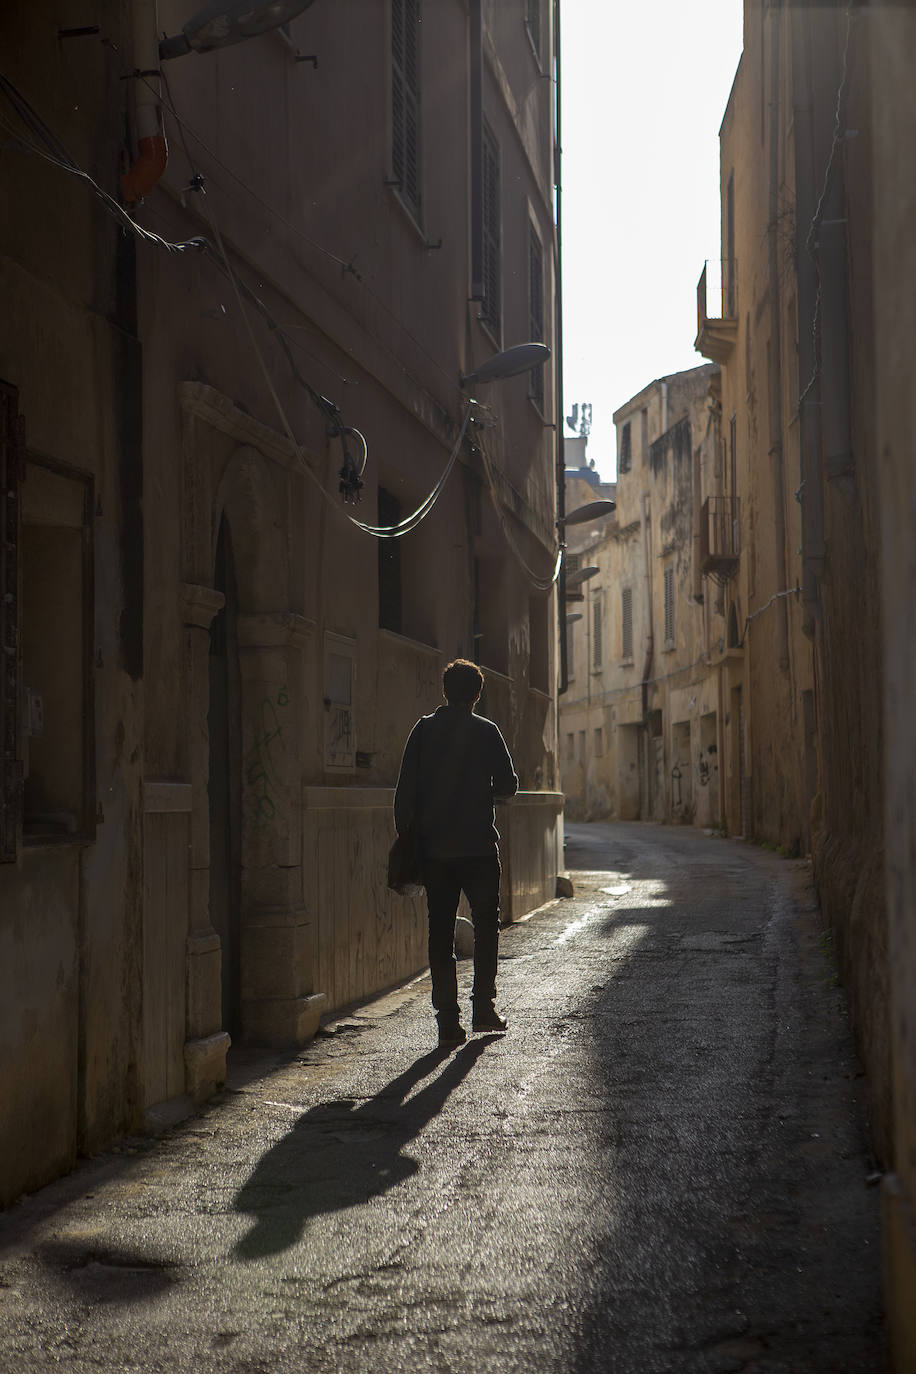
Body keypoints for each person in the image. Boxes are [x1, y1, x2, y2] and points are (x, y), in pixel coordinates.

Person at [394, 658, 519, 1049]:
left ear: (444, 691)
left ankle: (447, 1021)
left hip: (436, 852)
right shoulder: (487, 731)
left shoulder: (423, 730)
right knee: (486, 927)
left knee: (440, 932)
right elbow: (509, 785)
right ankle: (483, 1007)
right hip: (479, 847)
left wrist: (409, 838)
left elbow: (404, 794)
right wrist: (483, 794)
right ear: (477, 695)